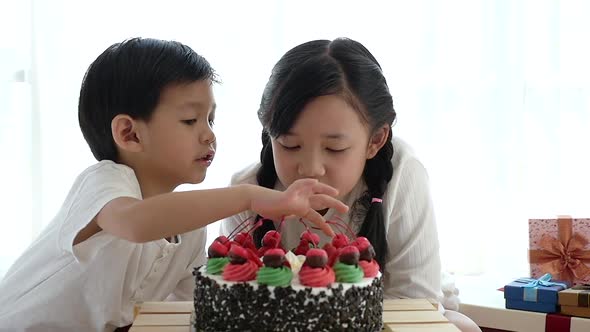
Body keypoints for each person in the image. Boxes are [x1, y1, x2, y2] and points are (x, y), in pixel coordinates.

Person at [0, 38, 347, 332]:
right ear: (129, 133)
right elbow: (136, 223)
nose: (209, 134)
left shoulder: (190, 233)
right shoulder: (104, 182)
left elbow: (180, 315)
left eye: (211, 119)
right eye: (190, 119)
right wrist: (249, 196)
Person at [221, 38, 481, 331]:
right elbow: (236, 304)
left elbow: (414, 300)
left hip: (386, 316)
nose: (310, 168)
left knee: (464, 327)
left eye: (334, 149)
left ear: (375, 140)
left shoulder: (403, 174)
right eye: (289, 145)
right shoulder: (248, 191)